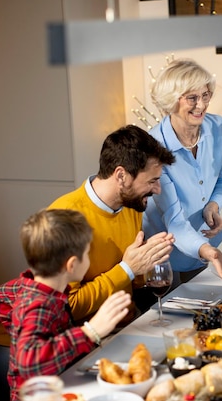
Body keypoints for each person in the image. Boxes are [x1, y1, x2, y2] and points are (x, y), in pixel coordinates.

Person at [0, 209, 132, 401]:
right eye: (87, 253)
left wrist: (17, 331)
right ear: (72, 265)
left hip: (64, 381)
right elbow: (29, 364)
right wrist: (90, 332)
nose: (89, 259)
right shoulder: (39, 304)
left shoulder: (31, 286)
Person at [48, 125, 177, 321]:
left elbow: (130, 281)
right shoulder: (63, 218)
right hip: (87, 340)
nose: (158, 190)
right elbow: (67, 307)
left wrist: (147, 261)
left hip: (130, 323)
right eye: (152, 181)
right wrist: (128, 269)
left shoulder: (131, 206)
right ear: (121, 176)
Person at [142, 58, 222, 284]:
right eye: (192, 98)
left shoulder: (218, 127)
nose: (201, 105)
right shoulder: (153, 148)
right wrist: (209, 252)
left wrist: (213, 206)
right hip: (166, 257)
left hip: (205, 248)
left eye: (205, 95)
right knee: (173, 318)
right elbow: (174, 219)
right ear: (171, 101)